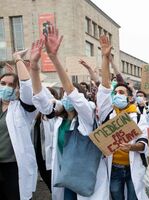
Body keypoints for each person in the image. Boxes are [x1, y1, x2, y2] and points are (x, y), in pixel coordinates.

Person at [30, 27, 109, 200]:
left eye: (71, 95)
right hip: (66, 180)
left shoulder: (87, 118)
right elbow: (41, 100)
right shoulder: (60, 119)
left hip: (87, 180)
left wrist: (54, 58)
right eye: (64, 96)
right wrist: (34, 68)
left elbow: (74, 95)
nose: (68, 98)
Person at [97, 35, 149, 200]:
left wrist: (132, 147)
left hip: (133, 166)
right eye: (115, 92)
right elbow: (104, 87)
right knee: (116, 196)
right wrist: (105, 58)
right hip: (114, 168)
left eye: (122, 93)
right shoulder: (108, 113)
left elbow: (144, 140)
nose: (117, 95)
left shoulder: (138, 115)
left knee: (134, 197)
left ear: (129, 98)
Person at [0, 49, 38, 200]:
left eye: (11, 84)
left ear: (17, 89)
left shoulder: (23, 108)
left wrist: (18, 60)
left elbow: (28, 88)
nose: (6, 87)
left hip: (13, 167)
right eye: (3, 83)